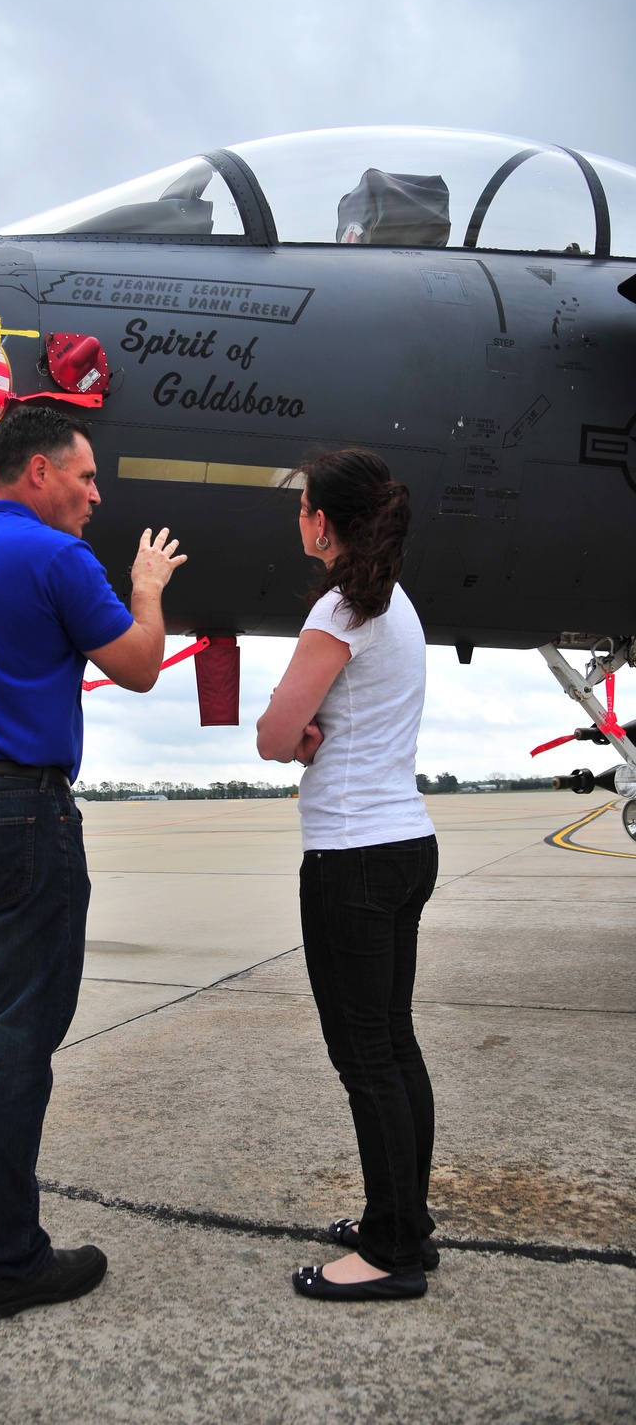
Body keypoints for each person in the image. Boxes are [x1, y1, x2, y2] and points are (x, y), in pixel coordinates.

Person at [0, 405, 186, 1321]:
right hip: (18, 811)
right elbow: (137, 665)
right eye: (86, 477)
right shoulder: (57, 558)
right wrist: (147, 586)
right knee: (18, 1035)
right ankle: (8, 1259)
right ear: (39, 472)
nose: (97, 495)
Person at [256, 447, 438, 1302]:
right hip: (403, 841)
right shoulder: (394, 605)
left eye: (301, 508)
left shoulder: (341, 607)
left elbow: (272, 731)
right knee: (392, 1044)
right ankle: (402, 1222)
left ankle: (392, 1250)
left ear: (321, 522)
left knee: (364, 1052)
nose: (297, 518)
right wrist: (306, 731)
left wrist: (291, 732)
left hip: (352, 852)